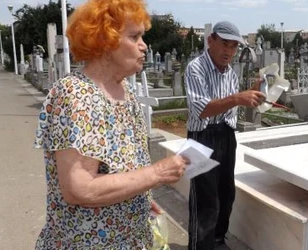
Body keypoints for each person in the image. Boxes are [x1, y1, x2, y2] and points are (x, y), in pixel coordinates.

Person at [33, 0, 189, 249]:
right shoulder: (75, 95)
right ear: (105, 41)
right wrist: (157, 174)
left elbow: (121, 165)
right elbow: (79, 189)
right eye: (134, 36)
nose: (144, 45)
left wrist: (140, 198)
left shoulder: (124, 90)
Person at [184, 21, 265, 250]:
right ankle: (201, 246)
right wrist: (238, 98)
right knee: (204, 198)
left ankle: (218, 241)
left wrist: (255, 95)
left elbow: (232, 106)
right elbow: (202, 109)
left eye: (234, 46)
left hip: (226, 135)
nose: (229, 51)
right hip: (201, 137)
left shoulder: (230, 72)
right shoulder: (196, 68)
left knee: (226, 193)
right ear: (211, 41)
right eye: (224, 44)